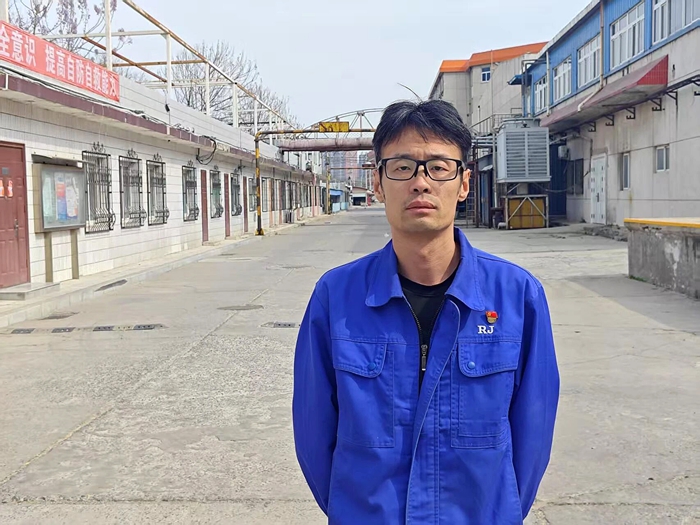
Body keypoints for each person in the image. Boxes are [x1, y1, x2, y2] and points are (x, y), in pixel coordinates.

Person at [292, 99, 560, 524]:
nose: (421, 183)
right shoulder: (336, 298)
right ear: (378, 183)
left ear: (464, 183)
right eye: (402, 167)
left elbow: (533, 435)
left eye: (438, 167)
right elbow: (313, 433)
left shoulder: (518, 297)